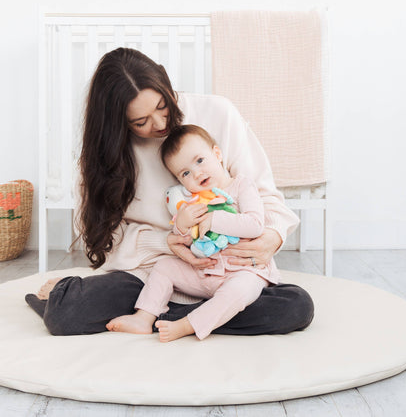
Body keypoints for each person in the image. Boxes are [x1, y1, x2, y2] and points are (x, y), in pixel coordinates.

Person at [25, 47, 313, 336]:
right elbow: (103, 239)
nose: (161, 124)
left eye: (162, 105)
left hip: (230, 270)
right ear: (117, 122)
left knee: (296, 306)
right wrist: (170, 242)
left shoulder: (219, 113)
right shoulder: (103, 158)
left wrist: (272, 237)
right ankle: (193, 316)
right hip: (151, 275)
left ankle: (173, 320)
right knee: (65, 314)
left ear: (165, 81)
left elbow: (264, 196)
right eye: (141, 122)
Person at [106, 124, 280, 342]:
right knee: (164, 266)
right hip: (206, 273)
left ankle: (187, 324)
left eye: (200, 160)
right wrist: (181, 224)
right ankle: (144, 317)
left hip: (244, 271)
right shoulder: (192, 201)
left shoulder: (241, 186)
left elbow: (255, 225)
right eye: (186, 173)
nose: (197, 173)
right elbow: (186, 241)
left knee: (239, 291)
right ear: (180, 181)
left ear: (217, 154)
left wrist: (214, 219)